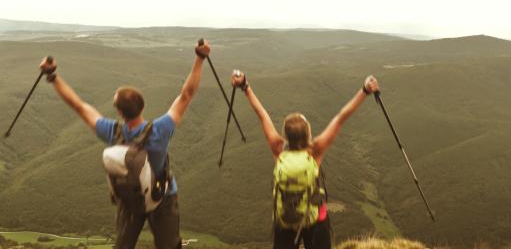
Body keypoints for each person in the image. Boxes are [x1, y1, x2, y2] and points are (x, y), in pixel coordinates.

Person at [38, 40, 211, 249]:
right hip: (162, 198)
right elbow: (186, 95)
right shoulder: (160, 130)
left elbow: (79, 106)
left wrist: (53, 77)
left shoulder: (112, 132)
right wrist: (200, 58)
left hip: (130, 201)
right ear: (142, 106)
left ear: (119, 112)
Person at [230, 70, 380, 249]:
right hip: (315, 219)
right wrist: (365, 90)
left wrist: (245, 86)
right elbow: (341, 117)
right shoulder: (315, 150)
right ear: (309, 133)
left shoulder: (278, 148)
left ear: (285, 134)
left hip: (284, 219)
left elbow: (262, 114)